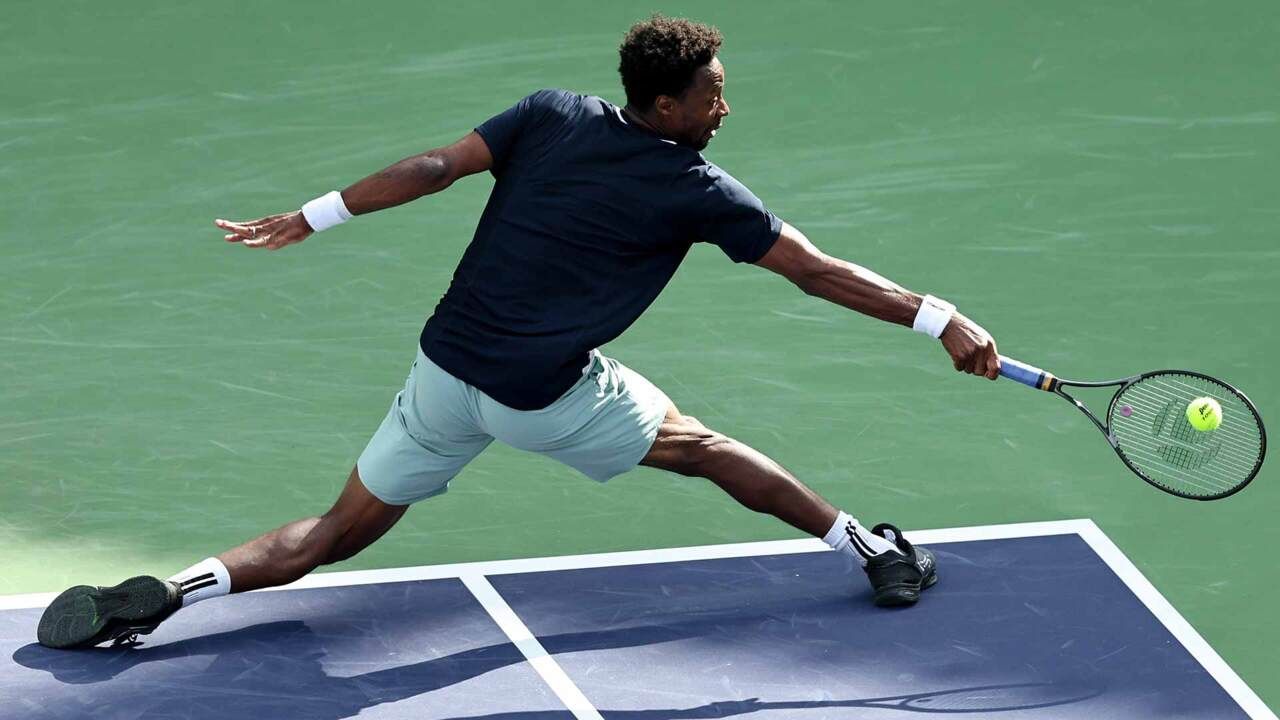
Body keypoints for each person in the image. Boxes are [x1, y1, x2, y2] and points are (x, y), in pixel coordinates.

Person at [37, 14, 1000, 650]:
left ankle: (172, 594)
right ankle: (870, 551)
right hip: (544, 397)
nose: (724, 106)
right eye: (712, 94)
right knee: (705, 450)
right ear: (666, 105)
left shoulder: (550, 114)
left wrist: (312, 215)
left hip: (443, 373)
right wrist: (940, 318)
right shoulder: (699, 189)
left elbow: (432, 167)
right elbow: (817, 271)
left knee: (334, 532)